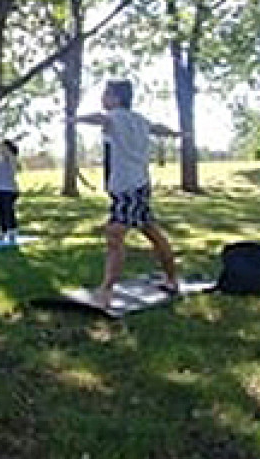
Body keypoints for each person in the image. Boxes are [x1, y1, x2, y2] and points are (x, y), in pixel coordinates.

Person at [73, 79, 183, 308]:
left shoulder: (115, 117)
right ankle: (172, 279)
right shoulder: (139, 119)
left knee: (114, 235)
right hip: (138, 185)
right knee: (151, 231)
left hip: (128, 189)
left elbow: (100, 118)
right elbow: (157, 128)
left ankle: (106, 290)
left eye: (106, 94)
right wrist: (177, 134)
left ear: (116, 98)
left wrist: (75, 119)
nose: (102, 98)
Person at [0, 139, 21, 242]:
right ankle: (3, 231)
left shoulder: (11, 158)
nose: (0, 149)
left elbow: (15, 169)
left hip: (9, 189)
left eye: (3, 147)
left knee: (8, 211)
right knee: (1, 211)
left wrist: (9, 154)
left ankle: (12, 230)